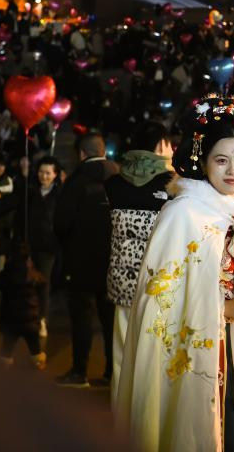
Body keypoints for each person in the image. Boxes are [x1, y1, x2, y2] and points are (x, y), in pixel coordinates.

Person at [114, 94, 234, 452]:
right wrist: (226, 308)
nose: (233, 171)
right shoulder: (183, 214)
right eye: (221, 160)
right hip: (198, 354)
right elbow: (161, 305)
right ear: (202, 160)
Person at [105, 121, 176, 408]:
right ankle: (146, 415)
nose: (173, 149)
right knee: (153, 353)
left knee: (122, 349)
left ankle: (119, 412)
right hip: (157, 281)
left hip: (122, 279)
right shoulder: (173, 184)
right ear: (160, 146)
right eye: (169, 143)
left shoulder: (113, 183)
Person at [54, 132, 120, 388]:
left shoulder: (77, 181)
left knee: (81, 317)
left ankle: (79, 371)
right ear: (103, 151)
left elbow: (62, 222)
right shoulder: (119, 177)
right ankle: (111, 372)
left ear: (82, 153)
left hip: (81, 260)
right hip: (114, 260)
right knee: (110, 319)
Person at [17, 156, 62, 338]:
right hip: (29, 244)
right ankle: (27, 316)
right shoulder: (31, 192)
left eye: (48, 173)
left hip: (48, 247)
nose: (44, 176)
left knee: (43, 283)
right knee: (26, 281)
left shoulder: (60, 194)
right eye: (41, 172)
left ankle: (42, 319)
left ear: (55, 174)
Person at [0, 241, 48, 370]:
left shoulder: (6, 273)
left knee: (8, 343)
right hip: (30, 319)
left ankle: (4, 363)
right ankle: (38, 362)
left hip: (11, 318)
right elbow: (43, 284)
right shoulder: (33, 274)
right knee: (34, 343)